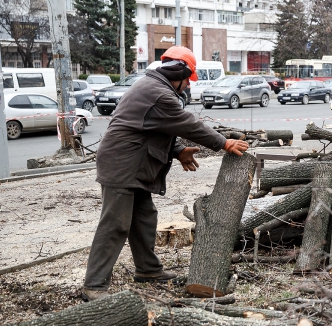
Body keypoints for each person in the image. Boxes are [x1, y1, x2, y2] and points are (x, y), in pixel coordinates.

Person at [82, 46, 249, 301]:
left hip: (130, 163)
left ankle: (148, 270)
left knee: (144, 218)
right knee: (115, 223)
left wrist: (178, 149)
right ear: (181, 74)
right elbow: (187, 123)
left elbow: (157, 127)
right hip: (122, 164)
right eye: (187, 81)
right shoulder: (158, 93)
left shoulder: (152, 87)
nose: (187, 86)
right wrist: (223, 143)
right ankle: (94, 285)